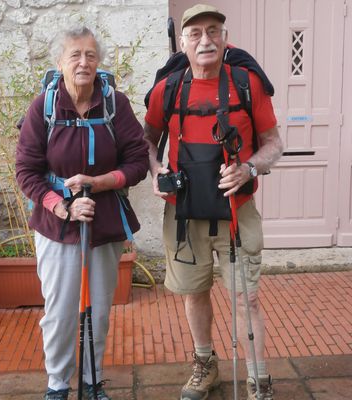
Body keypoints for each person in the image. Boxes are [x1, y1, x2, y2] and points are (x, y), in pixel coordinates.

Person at [144, 4, 283, 400]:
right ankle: (205, 365)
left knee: (247, 296)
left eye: (213, 31)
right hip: (184, 214)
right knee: (194, 292)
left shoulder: (246, 84)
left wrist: (250, 169)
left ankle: (258, 380)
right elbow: (146, 141)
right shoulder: (167, 88)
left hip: (237, 211)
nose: (205, 40)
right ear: (184, 42)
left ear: (225, 37)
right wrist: (156, 172)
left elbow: (274, 144)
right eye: (196, 34)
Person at [16, 26, 149, 400]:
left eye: (90, 55)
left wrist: (100, 182)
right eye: (74, 54)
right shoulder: (43, 106)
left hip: (103, 220)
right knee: (59, 314)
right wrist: (61, 206)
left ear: (98, 62)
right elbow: (25, 170)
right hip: (56, 225)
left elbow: (138, 162)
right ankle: (58, 384)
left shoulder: (114, 104)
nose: (83, 62)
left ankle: (92, 383)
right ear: (60, 63)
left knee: (98, 311)